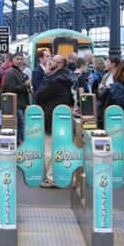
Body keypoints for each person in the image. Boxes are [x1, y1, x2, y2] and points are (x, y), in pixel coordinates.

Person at [35, 55, 74, 188]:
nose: (49, 62)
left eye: (52, 61)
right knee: (64, 147)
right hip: (63, 117)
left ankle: (52, 178)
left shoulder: (54, 80)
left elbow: (39, 95)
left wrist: (46, 75)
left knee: (49, 149)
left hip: (51, 116)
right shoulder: (67, 77)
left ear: (59, 64)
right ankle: (67, 176)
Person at [2, 53, 30, 143]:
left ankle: (20, 142)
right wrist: (25, 85)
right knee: (19, 124)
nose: (19, 61)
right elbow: (11, 89)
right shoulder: (10, 73)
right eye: (17, 59)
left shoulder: (19, 71)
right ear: (13, 60)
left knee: (21, 124)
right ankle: (18, 143)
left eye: (21, 59)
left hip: (21, 103)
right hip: (16, 104)